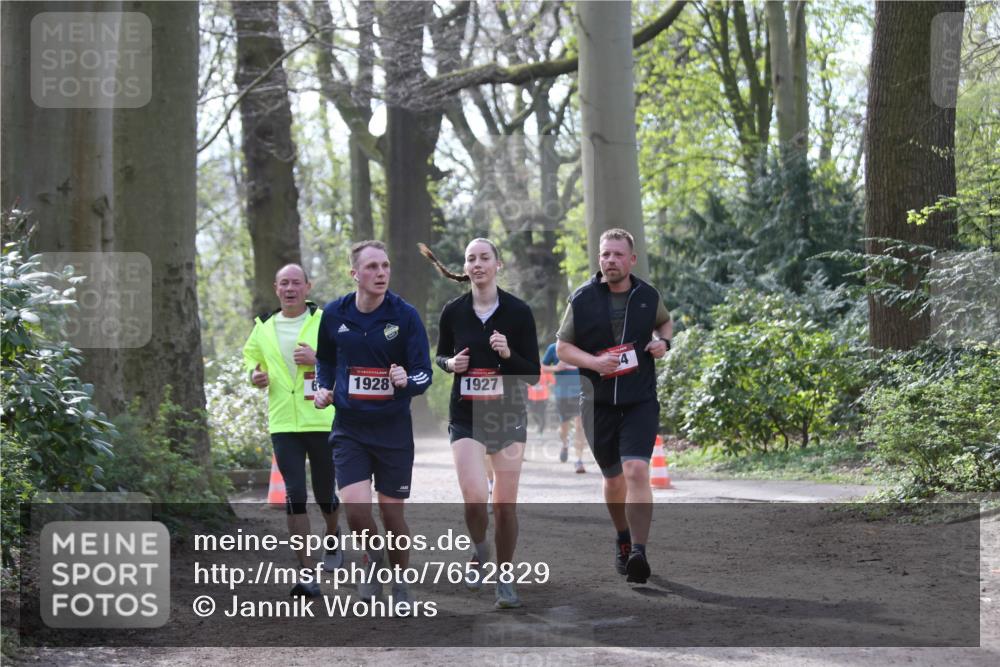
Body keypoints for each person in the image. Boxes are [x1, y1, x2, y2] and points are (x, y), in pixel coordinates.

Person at [420, 239, 540, 609]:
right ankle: (479, 549)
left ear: (497, 265)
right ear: (466, 267)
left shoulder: (518, 312)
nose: (477, 264)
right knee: (474, 497)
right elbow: (440, 356)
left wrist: (507, 355)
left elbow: (533, 374)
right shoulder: (454, 311)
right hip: (466, 415)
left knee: (505, 506)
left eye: (484, 258)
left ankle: (505, 578)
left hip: (508, 416)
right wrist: (449, 365)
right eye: (471, 258)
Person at [313, 241, 432, 604]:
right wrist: (322, 387)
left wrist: (405, 382)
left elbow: (424, 374)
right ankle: (373, 560)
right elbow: (326, 362)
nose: (381, 273)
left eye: (385, 266)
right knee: (356, 511)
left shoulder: (405, 315)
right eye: (371, 267)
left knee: (392, 516)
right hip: (349, 428)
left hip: (393, 429)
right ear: (354, 274)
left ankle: (400, 583)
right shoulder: (334, 314)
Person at [555, 229, 672, 584]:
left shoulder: (647, 295)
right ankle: (622, 537)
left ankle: (639, 551)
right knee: (613, 479)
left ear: (631, 260)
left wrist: (663, 342)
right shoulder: (583, 298)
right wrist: (592, 363)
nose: (610, 261)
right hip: (598, 404)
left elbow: (664, 322)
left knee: (637, 470)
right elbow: (562, 348)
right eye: (605, 254)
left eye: (618, 255)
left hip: (639, 400)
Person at [242, 263, 341, 598]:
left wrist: (318, 359)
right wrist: (255, 376)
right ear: (275, 288)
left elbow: (346, 358)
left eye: (296, 283)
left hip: (322, 417)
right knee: (295, 495)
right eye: (283, 283)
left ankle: (333, 535)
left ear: (307, 287)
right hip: (283, 423)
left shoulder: (326, 321)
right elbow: (251, 360)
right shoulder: (264, 328)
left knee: (326, 493)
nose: (290, 289)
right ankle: (308, 574)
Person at [542, 341, 587, 473]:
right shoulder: (554, 348)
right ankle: (565, 444)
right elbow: (543, 367)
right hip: (562, 394)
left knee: (580, 426)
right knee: (564, 428)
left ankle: (579, 461)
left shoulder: (583, 346)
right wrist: (556, 368)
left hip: (580, 392)